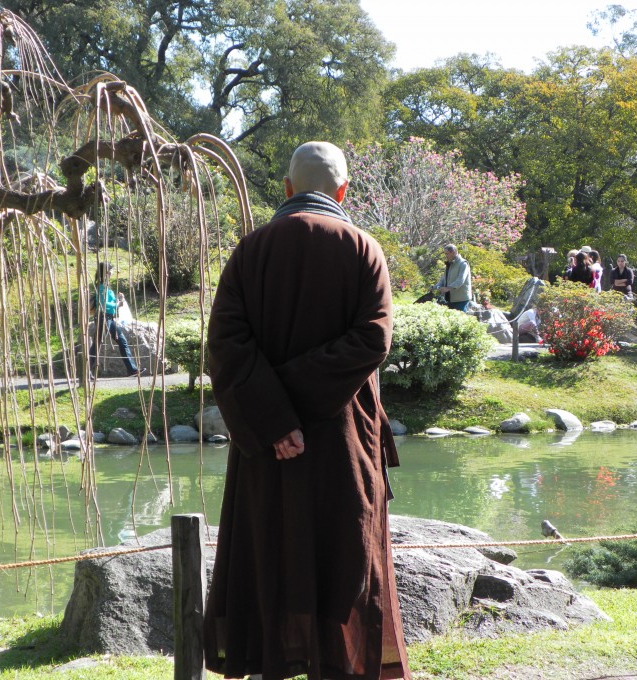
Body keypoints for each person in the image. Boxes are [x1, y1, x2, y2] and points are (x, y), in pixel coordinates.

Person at [204, 141, 411, 680]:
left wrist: (275, 416)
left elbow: (225, 346)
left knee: (271, 549)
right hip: (344, 439)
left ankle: (275, 664)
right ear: (343, 191)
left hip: (268, 445)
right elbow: (373, 340)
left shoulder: (249, 252)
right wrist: (293, 406)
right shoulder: (363, 249)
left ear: (289, 190)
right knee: (345, 557)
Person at [90, 262, 145, 377]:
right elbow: (103, 303)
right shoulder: (101, 286)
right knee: (97, 344)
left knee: (122, 340)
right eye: (110, 271)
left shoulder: (106, 286)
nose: (112, 273)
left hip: (109, 318)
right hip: (103, 317)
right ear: (105, 272)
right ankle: (86, 370)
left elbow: (110, 301)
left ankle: (132, 369)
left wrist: (120, 299)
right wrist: (117, 304)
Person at [435, 244, 472, 312]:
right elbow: (443, 278)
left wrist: (448, 288)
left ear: (454, 252)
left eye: (447, 254)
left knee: (460, 320)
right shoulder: (450, 264)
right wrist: (436, 286)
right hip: (450, 298)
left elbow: (460, 280)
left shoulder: (463, 264)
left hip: (461, 299)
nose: (446, 256)